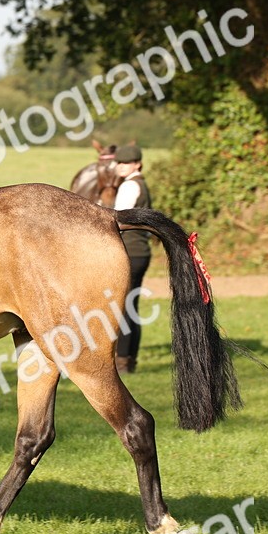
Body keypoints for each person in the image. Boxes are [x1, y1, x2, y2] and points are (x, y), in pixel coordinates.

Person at [112, 144, 152, 373]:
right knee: (131, 306)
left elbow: (118, 219)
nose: (120, 166)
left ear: (137, 164)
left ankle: (123, 360)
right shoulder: (142, 185)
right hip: (141, 252)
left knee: (124, 307)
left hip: (130, 251)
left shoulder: (129, 187)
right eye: (118, 163)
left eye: (125, 162)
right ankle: (129, 359)